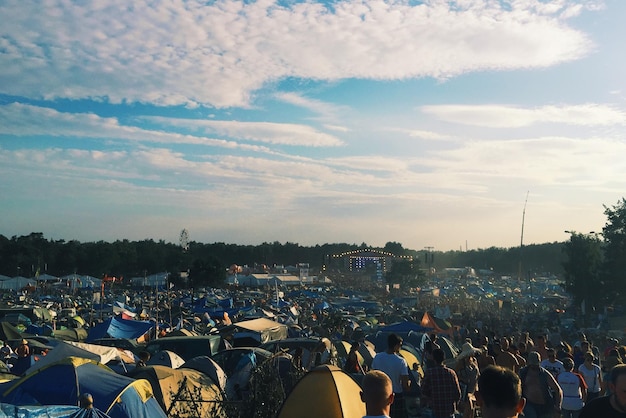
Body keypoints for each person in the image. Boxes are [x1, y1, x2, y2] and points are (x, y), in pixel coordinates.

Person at [371, 333, 410, 418]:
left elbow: (373, 375)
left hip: (380, 394)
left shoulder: (377, 357)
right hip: (395, 395)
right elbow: (405, 384)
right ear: (395, 345)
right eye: (400, 345)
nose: (400, 348)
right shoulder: (401, 361)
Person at [519, 351, 563, 418]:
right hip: (529, 403)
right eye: (533, 364)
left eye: (536, 364)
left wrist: (558, 406)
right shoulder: (523, 372)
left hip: (544, 405)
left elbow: (557, 389)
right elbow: (517, 387)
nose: (534, 366)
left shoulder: (544, 374)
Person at [421, 348, 461, 418]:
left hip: (436, 409)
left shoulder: (429, 373)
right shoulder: (451, 373)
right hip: (449, 410)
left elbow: (424, 391)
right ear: (444, 358)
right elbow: (457, 393)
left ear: (433, 358)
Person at [454, 342, 481, 418]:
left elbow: (477, 374)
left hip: (473, 387)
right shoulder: (461, 363)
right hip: (465, 388)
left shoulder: (474, 361)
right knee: (469, 407)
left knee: (472, 409)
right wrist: (462, 378)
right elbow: (454, 373)